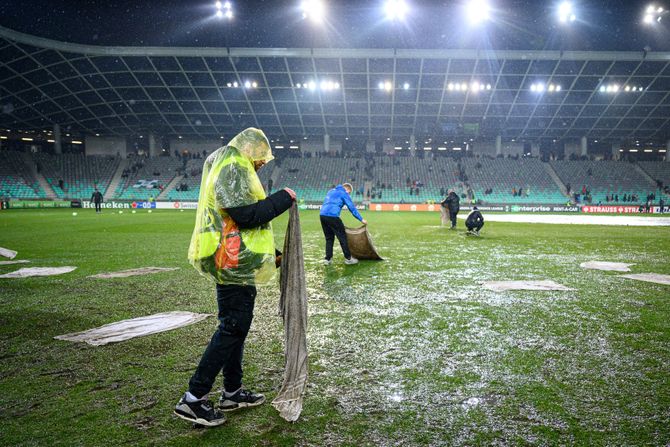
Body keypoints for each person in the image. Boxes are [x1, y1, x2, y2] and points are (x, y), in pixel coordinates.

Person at [175, 128, 296, 427]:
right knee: (232, 328)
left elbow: (238, 226)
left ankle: (231, 391)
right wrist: (283, 198)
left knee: (235, 328)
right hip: (229, 263)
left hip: (231, 260)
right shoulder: (234, 165)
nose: (262, 165)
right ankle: (193, 398)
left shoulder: (229, 163)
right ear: (251, 150)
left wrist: (271, 254)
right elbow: (244, 215)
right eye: (261, 158)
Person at [319, 183, 367, 265]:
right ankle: (348, 259)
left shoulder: (331, 191)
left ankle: (328, 259)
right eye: (349, 193)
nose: (349, 194)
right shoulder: (344, 193)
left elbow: (330, 203)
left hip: (322, 215)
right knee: (342, 237)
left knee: (329, 238)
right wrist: (361, 219)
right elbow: (351, 207)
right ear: (347, 189)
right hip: (333, 216)